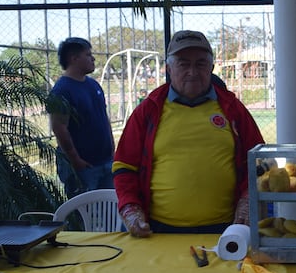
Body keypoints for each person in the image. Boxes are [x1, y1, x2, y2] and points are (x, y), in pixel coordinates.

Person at [112, 30, 264, 237]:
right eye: (184, 64)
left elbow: (257, 161)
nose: (192, 71)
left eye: (200, 64)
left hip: (226, 230)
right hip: (159, 231)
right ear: (169, 69)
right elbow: (124, 166)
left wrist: (247, 199)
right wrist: (130, 208)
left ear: (211, 68)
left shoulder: (232, 108)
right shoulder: (149, 110)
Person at [48, 37, 115, 199]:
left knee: (110, 211)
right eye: (88, 54)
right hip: (84, 167)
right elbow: (59, 127)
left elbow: (103, 118)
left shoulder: (93, 85)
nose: (92, 58)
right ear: (74, 58)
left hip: (105, 161)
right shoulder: (62, 90)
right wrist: (75, 160)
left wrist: (112, 146)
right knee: (87, 216)